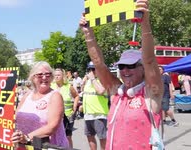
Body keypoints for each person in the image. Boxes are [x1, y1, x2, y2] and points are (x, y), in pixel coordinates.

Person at [79, 0, 164, 149]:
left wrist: (145, 23)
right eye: (122, 66)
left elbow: (149, 60)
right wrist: (88, 34)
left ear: (142, 68)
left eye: (131, 66)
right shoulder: (116, 91)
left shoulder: (151, 92)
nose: (125, 70)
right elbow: (98, 64)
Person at [11, 61, 69, 148]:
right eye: (40, 75)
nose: (44, 77)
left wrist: (27, 137)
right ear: (33, 77)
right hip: (26, 146)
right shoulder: (27, 95)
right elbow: (15, 117)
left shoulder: (55, 96)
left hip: (47, 146)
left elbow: (52, 127)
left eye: (48, 74)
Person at [81, 61, 109, 150]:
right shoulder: (89, 81)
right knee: (90, 136)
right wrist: (83, 82)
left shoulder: (104, 79)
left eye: (94, 69)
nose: (92, 71)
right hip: (88, 114)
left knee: (102, 138)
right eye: (90, 69)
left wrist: (93, 79)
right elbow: (83, 92)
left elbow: (100, 91)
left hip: (99, 114)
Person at [51, 68, 79, 148]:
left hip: (68, 115)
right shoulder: (51, 86)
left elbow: (76, 96)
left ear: (63, 76)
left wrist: (74, 106)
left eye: (58, 75)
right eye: (55, 75)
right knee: (55, 136)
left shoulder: (68, 86)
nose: (56, 77)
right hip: (55, 116)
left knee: (68, 136)